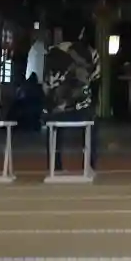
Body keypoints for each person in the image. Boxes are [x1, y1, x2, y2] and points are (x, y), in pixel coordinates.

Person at [43, 25, 101, 172]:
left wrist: (50, 104)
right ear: (81, 32)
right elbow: (95, 80)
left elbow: (46, 84)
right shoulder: (91, 52)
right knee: (92, 129)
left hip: (57, 108)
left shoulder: (52, 52)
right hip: (83, 107)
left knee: (53, 131)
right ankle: (89, 165)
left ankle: (55, 166)